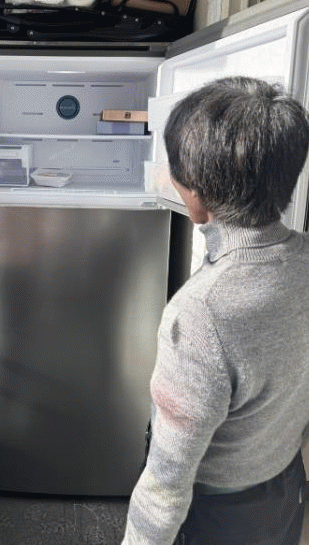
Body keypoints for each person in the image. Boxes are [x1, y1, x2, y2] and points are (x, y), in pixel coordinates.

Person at [121, 76, 309, 545]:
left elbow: (167, 481)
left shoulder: (201, 313)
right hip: (284, 489)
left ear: (197, 196)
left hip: (216, 514)